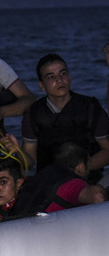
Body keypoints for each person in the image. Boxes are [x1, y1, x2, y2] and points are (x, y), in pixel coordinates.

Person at [20, 53, 109, 183]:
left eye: (63, 74)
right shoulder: (33, 113)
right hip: (50, 182)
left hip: (89, 178)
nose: (59, 80)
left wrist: (84, 167)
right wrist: (15, 150)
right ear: (42, 85)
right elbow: (29, 162)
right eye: (51, 77)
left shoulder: (90, 107)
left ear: (70, 77)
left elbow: (107, 149)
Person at [15, 142, 107, 215]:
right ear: (81, 167)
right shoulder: (71, 183)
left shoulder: (42, 175)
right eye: (88, 165)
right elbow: (98, 197)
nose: (89, 171)